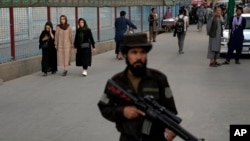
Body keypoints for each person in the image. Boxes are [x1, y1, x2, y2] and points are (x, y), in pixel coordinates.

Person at [98, 33, 178, 141]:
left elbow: (171, 109)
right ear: (126, 55)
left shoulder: (159, 79)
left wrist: (170, 130)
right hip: (127, 138)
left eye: (143, 52)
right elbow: (104, 107)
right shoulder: (117, 82)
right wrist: (123, 111)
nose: (139, 57)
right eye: (134, 53)